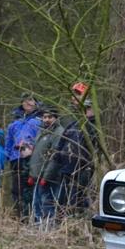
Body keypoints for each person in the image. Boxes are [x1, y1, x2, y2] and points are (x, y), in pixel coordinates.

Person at [56, 82, 98, 214]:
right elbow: (60, 146)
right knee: (62, 203)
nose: (73, 98)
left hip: (83, 172)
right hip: (66, 171)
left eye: (77, 94)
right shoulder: (74, 124)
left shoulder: (95, 126)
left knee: (78, 203)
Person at [4, 92, 43, 221]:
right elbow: (8, 141)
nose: (28, 103)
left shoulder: (39, 121)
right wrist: (8, 156)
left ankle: (32, 216)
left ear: (36, 103)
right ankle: (20, 216)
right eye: (25, 100)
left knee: (30, 189)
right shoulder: (15, 122)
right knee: (16, 190)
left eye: (31, 100)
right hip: (16, 160)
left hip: (32, 159)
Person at [28, 106, 65, 229]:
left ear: (56, 118)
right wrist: (32, 174)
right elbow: (37, 155)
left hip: (50, 177)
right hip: (38, 175)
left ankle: (49, 228)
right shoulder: (42, 131)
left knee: (47, 203)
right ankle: (38, 227)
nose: (47, 119)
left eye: (50, 117)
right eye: (44, 117)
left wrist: (46, 177)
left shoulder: (58, 132)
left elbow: (55, 156)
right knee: (37, 203)